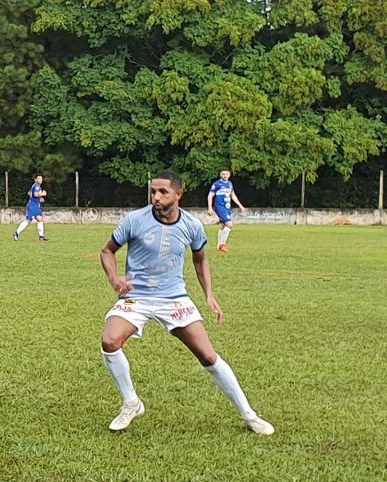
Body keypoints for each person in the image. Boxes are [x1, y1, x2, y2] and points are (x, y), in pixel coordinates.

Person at [99, 170, 274, 435]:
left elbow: (200, 259)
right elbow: (107, 251)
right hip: (138, 296)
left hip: (174, 298)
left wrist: (209, 295)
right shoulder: (135, 220)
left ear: (178, 194)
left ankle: (250, 415)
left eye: (163, 192)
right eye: (153, 191)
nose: (156, 197)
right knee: (109, 342)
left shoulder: (192, 225)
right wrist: (114, 278)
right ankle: (131, 402)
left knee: (208, 355)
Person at [207, 169, 246, 253]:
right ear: (220, 175)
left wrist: (240, 205)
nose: (225, 175)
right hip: (220, 207)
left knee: (223, 225)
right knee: (229, 224)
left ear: (229, 175)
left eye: (227, 174)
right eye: (223, 174)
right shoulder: (217, 184)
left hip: (227, 207)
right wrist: (210, 208)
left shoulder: (229, 184)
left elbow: (233, 195)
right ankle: (222, 245)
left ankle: (219, 247)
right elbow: (210, 196)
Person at [14, 175, 48, 242]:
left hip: (33, 205)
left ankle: (41, 236)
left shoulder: (34, 185)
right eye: (38, 178)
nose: (40, 180)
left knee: (39, 219)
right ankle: (17, 232)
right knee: (29, 220)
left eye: (41, 179)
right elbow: (35, 194)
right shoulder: (37, 186)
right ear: (35, 179)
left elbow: (29, 193)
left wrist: (38, 199)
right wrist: (43, 194)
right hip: (33, 206)